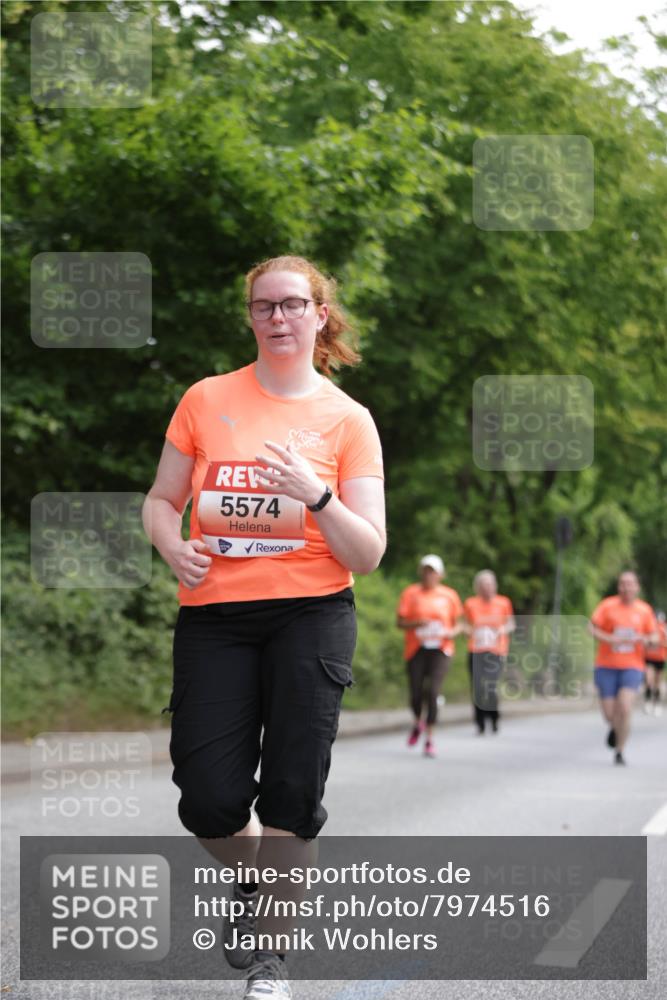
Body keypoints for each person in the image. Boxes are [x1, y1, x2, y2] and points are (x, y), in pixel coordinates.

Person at [142, 255, 386, 999]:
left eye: (291, 305)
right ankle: (258, 878)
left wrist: (316, 495)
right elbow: (160, 500)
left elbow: (367, 552)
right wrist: (171, 545)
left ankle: (271, 961)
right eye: (263, 306)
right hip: (215, 614)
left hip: (313, 612)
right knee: (207, 797)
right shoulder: (205, 398)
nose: (277, 318)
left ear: (319, 314)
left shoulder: (348, 419)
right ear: (250, 316)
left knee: (291, 786)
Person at [588, 570, 658, 765]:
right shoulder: (607, 605)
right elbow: (591, 628)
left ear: (637, 587)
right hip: (606, 666)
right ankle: (614, 727)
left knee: (625, 708)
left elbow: (654, 636)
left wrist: (647, 639)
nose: (626, 587)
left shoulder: (644, 610)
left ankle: (619, 751)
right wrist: (610, 639)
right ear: (618, 587)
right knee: (610, 714)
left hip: (632, 666)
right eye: (622, 584)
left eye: (630, 584)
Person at [396, 555, 463, 758]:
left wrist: (452, 632)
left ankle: (430, 738)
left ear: (440, 575)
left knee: (433, 691)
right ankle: (418, 722)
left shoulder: (449, 595)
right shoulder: (411, 593)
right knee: (416, 692)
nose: (428, 575)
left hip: (441, 649)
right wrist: (417, 624)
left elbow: (460, 623)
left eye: (432, 571)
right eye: (425, 571)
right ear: (420, 573)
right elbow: (399, 622)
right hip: (417, 648)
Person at [462, 571, 515, 735]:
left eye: (490, 584)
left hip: (496, 651)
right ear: (477, 587)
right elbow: (464, 625)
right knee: (478, 687)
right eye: (483, 585)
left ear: (495, 586)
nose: (487, 588)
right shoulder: (470, 603)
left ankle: (494, 716)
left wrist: (502, 630)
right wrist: (472, 632)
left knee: (491, 686)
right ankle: (480, 723)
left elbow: (511, 624)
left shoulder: (503, 602)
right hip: (476, 650)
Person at [643, 610, 666, 716]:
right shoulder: (648, 628)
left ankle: (657, 703)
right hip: (649, 657)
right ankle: (647, 701)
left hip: (660, 658)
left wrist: (659, 643)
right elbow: (644, 641)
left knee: (657, 682)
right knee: (649, 680)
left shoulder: (664, 629)